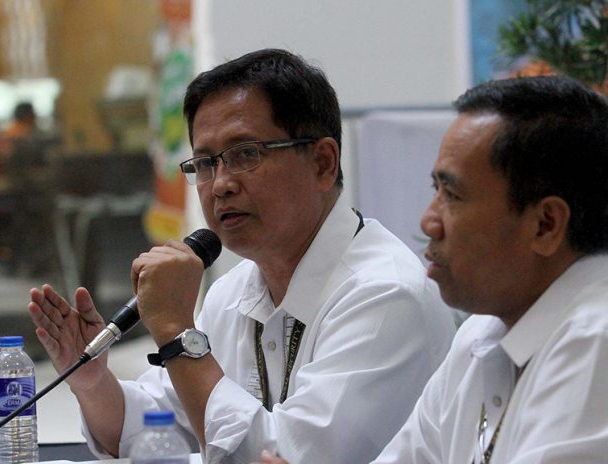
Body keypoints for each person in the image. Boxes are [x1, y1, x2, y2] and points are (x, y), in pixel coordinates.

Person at [27, 49, 456, 463]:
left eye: (245, 154)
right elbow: (161, 427)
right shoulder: (233, 292)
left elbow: (288, 458)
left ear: (323, 163)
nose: (220, 184)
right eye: (206, 162)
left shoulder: (385, 296)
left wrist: (178, 333)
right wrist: (92, 380)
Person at [256, 75, 608, 463]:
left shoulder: (604, 351)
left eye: (453, 197)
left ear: (546, 225)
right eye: (436, 190)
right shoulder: (483, 331)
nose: (429, 221)